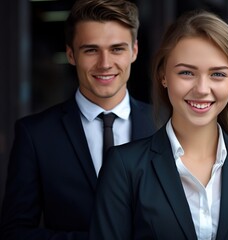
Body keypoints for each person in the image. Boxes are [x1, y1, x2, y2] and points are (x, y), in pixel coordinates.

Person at [89, 9, 228, 240]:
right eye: (186, 73)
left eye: (218, 75)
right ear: (163, 76)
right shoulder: (124, 167)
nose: (202, 89)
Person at [0, 0, 156, 239]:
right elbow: (14, 232)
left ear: (134, 51)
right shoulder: (35, 135)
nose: (105, 64)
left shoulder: (169, 127)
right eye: (91, 50)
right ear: (71, 54)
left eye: (117, 49)